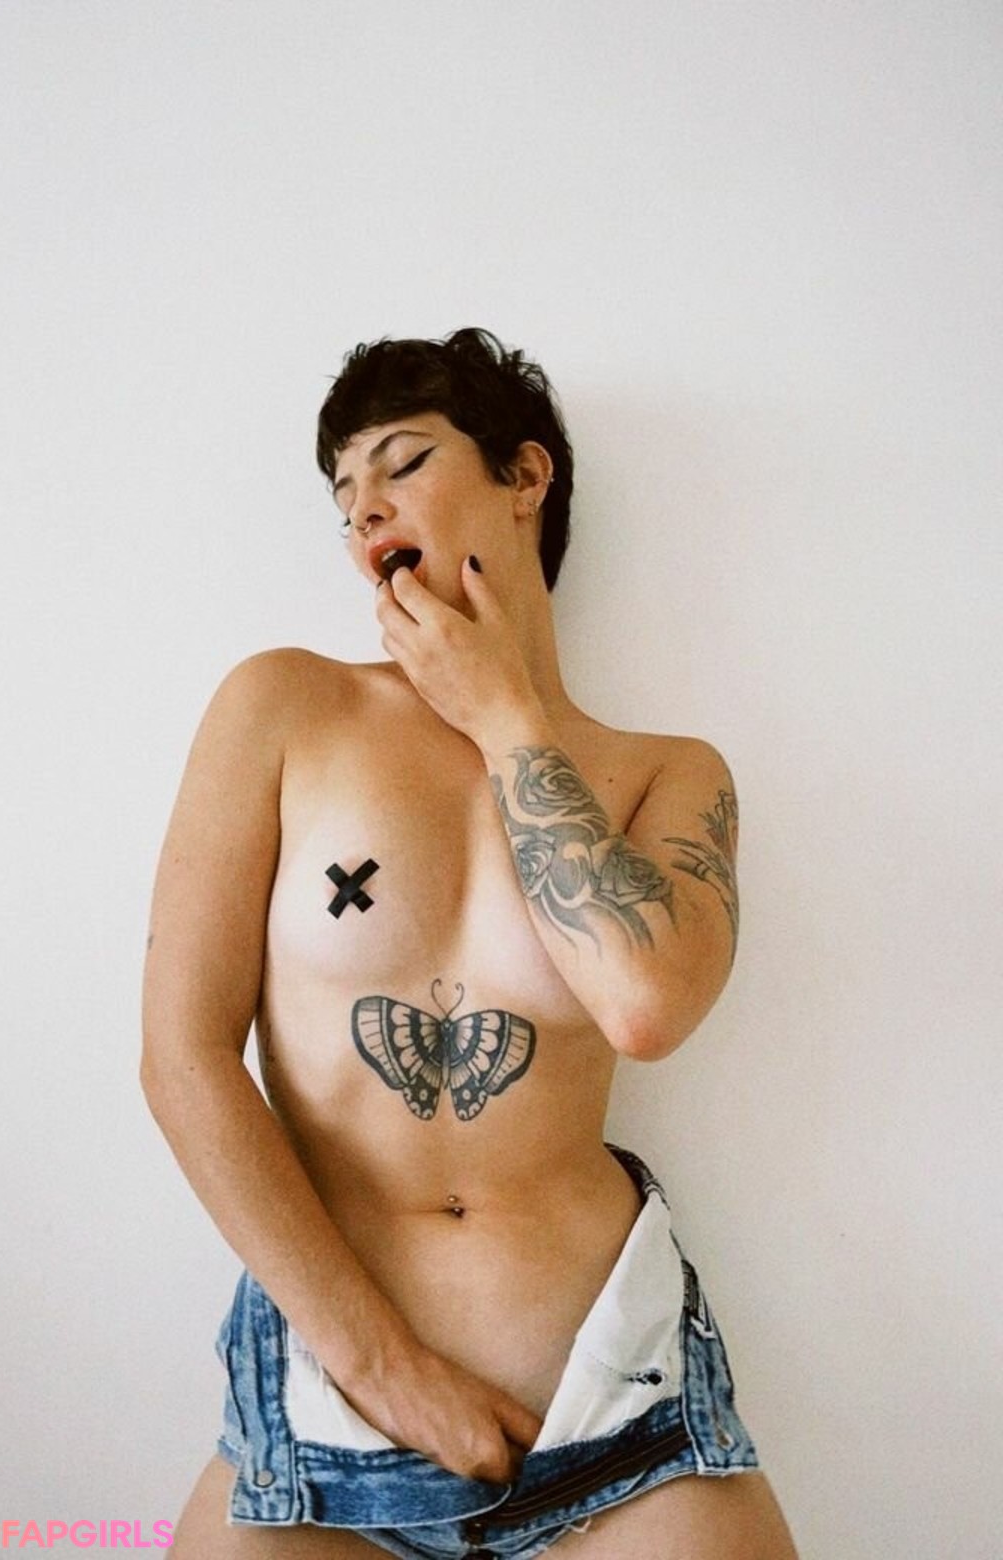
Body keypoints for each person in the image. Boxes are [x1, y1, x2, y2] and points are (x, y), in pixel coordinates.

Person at [141, 329, 798, 1559]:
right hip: (328, 1429)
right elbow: (182, 1059)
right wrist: (387, 1370)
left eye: (402, 464)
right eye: (345, 496)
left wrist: (504, 716)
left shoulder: (667, 773)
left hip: (623, 1429)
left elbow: (647, 1006)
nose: (366, 510)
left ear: (524, 477)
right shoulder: (283, 708)